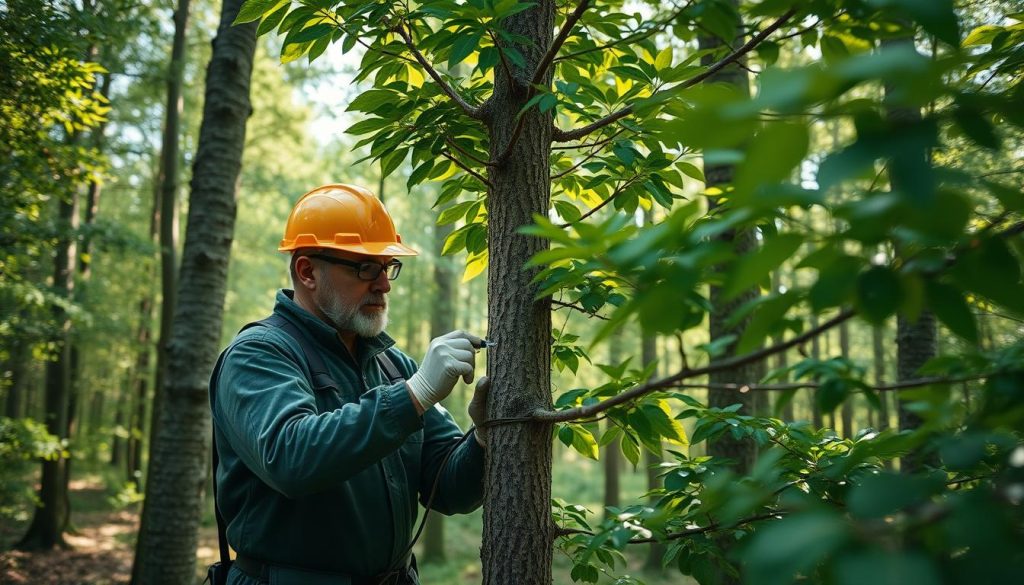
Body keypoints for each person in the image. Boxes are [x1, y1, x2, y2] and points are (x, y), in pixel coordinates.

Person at [209, 184, 488, 585]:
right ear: (307, 272)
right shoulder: (258, 355)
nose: (383, 285)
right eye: (364, 267)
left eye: (387, 266)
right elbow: (290, 458)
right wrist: (415, 394)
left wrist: (482, 439)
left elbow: (449, 490)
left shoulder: (393, 365)